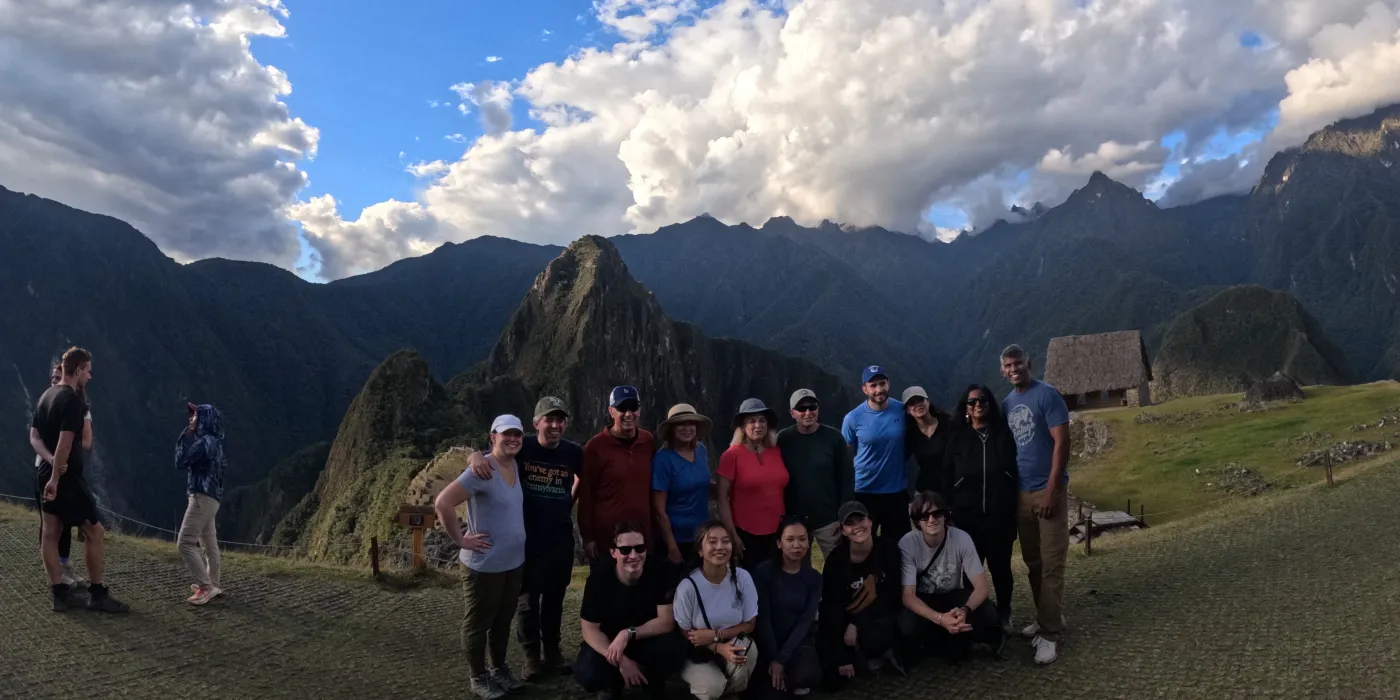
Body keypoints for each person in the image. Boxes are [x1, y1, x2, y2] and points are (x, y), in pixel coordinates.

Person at [464, 396, 584, 678]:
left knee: (555, 599)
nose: (555, 425)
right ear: (536, 423)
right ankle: (532, 658)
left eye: (560, 420)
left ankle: (553, 654)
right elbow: (491, 452)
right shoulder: (522, 446)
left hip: (560, 537)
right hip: (529, 539)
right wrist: (474, 455)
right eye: (549, 420)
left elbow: (583, 477)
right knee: (528, 602)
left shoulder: (572, 452)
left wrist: (569, 501)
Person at [436, 415, 529, 700]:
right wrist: (460, 540)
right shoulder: (482, 469)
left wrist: (471, 453)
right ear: (493, 437)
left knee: (502, 620)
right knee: (479, 622)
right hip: (484, 565)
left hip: (513, 563)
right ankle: (478, 677)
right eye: (506, 435)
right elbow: (443, 502)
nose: (512, 439)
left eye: (517, 435)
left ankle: (499, 669)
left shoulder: (513, 463)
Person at [30, 347, 127, 613]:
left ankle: (59, 595)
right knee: (95, 532)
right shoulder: (72, 401)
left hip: (45, 474)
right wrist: (56, 475)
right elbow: (66, 444)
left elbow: (34, 437)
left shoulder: (46, 396)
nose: (90, 376)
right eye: (88, 371)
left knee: (50, 534)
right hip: (66, 479)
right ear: (79, 368)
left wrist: (48, 465)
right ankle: (97, 594)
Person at [1001, 344, 1071, 665]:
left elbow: (1062, 442)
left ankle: (1050, 633)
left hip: (1048, 490)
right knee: (1034, 563)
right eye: (1008, 366)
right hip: (1020, 494)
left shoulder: (1047, 395)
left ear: (1029, 363)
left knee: (1053, 562)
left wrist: (1052, 490)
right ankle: (1048, 618)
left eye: (1019, 363)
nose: (1015, 369)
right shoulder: (1007, 404)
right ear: (1003, 371)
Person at [575, 522, 689, 700]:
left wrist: (627, 634)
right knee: (589, 673)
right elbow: (589, 629)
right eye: (625, 550)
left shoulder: (660, 571)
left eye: (639, 548)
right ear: (614, 553)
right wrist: (620, 659)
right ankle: (613, 684)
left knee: (674, 650)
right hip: (610, 642)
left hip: (646, 638)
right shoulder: (598, 579)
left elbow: (666, 621)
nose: (634, 555)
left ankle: (653, 680)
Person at [944, 385, 1019, 632]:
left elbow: (1016, 470)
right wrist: (949, 510)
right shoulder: (958, 437)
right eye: (972, 401)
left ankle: (1004, 610)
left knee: (1000, 568)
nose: (978, 405)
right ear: (965, 407)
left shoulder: (1003, 434)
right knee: (968, 572)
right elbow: (947, 475)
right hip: (967, 517)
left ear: (990, 404)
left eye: (983, 400)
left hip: (1000, 515)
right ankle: (973, 614)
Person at [897, 491, 1002, 661]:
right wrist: (939, 619)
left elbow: (982, 587)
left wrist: (964, 610)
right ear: (917, 521)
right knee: (906, 626)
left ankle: (948, 634)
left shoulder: (962, 538)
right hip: (923, 597)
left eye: (937, 513)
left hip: (953, 597)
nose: (932, 520)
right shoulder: (907, 543)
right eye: (924, 516)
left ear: (945, 516)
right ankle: (948, 636)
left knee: (988, 615)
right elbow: (908, 596)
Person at [817, 501, 902, 687]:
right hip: (844, 622)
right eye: (850, 523)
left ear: (870, 521)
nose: (857, 527)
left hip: (876, 618)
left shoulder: (888, 549)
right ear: (843, 530)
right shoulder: (836, 560)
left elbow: (891, 596)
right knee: (831, 680)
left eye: (861, 519)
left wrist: (857, 623)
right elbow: (831, 606)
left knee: (888, 629)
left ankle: (877, 654)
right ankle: (862, 659)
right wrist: (841, 654)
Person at [673, 520, 760, 700]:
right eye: (712, 542)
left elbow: (750, 624)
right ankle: (714, 691)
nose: (720, 547)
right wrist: (717, 647)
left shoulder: (743, 578)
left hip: (730, 643)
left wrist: (716, 634)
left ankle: (731, 692)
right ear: (700, 550)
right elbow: (685, 631)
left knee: (748, 648)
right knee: (711, 687)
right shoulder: (687, 586)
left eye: (726, 541)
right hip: (697, 652)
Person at [580, 385, 656, 564]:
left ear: (639, 411)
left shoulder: (647, 441)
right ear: (611, 411)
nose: (628, 414)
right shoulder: (595, 447)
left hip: (641, 539)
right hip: (607, 539)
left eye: (633, 408)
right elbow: (586, 495)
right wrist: (588, 537)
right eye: (622, 408)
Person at [777, 389, 851, 560]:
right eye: (802, 409)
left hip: (829, 519)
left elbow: (846, 478)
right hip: (796, 520)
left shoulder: (834, 438)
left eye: (812, 407)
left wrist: (843, 515)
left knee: (837, 566)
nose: (808, 413)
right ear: (792, 413)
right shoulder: (784, 439)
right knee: (797, 570)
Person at [753, 518, 822, 698]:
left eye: (802, 539)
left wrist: (782, 658)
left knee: (807, 675)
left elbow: (805, 621)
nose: (797, 545)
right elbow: (763, 619)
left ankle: (795, 679)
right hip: (768, 644)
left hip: (797, 643)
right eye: (790, 539)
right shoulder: (764, 572)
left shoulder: (813, 577)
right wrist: (774, 658)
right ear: (779, 543)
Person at [33, 362, 87, 588]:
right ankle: (55, 577)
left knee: (64, 525)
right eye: (53, 377)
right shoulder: (45, 402)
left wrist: (65, 456)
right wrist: (53, 459)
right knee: (49, 528)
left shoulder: (78, 406)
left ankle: (63, 567)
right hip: (46, 469)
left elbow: (86, 440)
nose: (55, 381)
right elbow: (34, 437)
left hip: (69, 471)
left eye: (58, 377)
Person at [717, 398, 789, 566]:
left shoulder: (776, 451)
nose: (758, 425)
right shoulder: (731, 456)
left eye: (762, 420)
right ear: (743, 427)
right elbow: (722, 499)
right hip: (746, 534)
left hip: (777, 532)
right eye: (752, 421)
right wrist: (732, 535)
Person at [842, 366, 908, 538]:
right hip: (864, 491)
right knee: (862, 543)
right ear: (865, 389)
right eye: (873, 385)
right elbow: (845, 454)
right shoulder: (853, 418)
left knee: (899, 546)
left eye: (882, 384)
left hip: (896, 491)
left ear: (889, 384)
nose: (879, 389)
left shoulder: (902, 411)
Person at [175, 402, 228, 605]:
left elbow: (180, 461)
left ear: (204, 420)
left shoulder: (203, 442)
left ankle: (206, 588)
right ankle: (213, 583)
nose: (191, 418)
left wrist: (185, 435)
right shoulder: (216, 443)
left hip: (200, 498)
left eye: (195, 415)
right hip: (213, 499)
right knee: (209, 545)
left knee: (185, 543)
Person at [652, 403, 713, 577]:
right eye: (681, 424)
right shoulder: (663, 459)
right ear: (672, 429)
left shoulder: (701, 451)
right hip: (676, 540)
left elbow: (702, 485)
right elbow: (659, 510)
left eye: (691, 423)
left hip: (701, 536)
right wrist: (672, 547)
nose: (687, 428)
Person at [902, 386, 954, 494]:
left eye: (920, 400)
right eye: (912, 403)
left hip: (953, 486)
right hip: (926, 490)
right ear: (907, 410)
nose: (918, 405)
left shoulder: (948, 424)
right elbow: (899, 458)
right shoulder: (911, 434)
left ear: (928, 402)